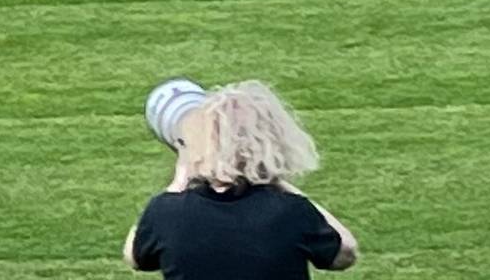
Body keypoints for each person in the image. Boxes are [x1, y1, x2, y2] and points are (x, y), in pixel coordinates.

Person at [122, 80, 359, 278]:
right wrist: (279, 183)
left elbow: (134, 256)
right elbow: (345, 253)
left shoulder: (166, 212)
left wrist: (179, 179)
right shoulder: (292, 211)